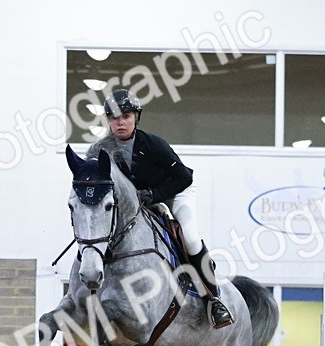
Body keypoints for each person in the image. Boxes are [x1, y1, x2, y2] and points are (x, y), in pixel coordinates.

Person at [86, 88, 233, 329]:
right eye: (114, 117)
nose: (120, 122)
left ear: (136, 117)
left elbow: (183, 178)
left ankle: (214, 299)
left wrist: (155, 195)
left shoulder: (153, 144)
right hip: (137, 203)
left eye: (126, 116)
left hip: (174, 192)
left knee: (192, 239)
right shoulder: (98, 151)